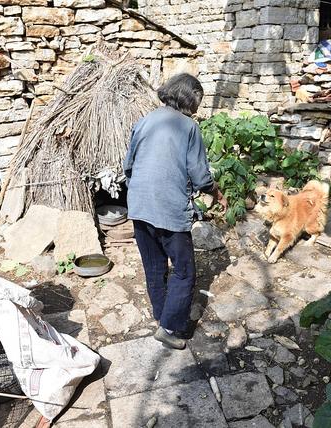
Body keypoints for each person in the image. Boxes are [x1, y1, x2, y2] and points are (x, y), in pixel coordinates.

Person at [123, 73, 227, 350]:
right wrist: (216, 193)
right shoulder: (187, 127)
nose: (198, 106)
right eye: (198, 99)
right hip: (168, 210)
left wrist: (142, 195)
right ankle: (170, 328)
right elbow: (201, 175)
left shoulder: (145, 121)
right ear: (190, 96)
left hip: (140, 206)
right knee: (184, 271)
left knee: (154, 266)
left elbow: (128, 167)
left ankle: (162, 315)